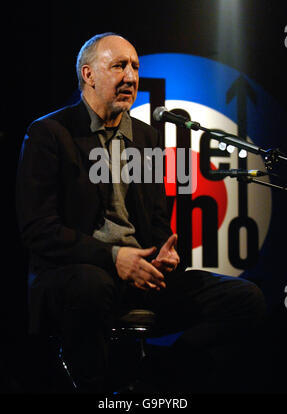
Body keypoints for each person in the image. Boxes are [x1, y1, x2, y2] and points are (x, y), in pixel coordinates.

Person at [16, 32, 266, 393]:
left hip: (139, 277)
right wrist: (114, 257)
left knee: (245, 299)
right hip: (73, 276)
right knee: (92, 283)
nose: (131, 77)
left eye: (135, 67)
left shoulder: (146, 137)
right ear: (88, 75)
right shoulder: (50, 134)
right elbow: (38, 229)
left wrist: (163, 252)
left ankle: (161, 382)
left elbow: (155, 219)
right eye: (119, 66)